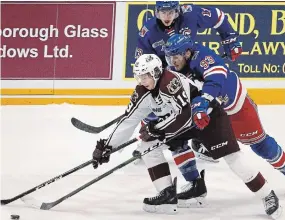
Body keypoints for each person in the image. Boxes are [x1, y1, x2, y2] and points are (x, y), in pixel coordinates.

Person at [92, 54, 282, 218]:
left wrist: (158, 128)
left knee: (233, 159)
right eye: (139, 76)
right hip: (180, 123)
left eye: (145, 76)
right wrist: (108, 146)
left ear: (157, 72)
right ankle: (166, 194)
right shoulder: (143, 91)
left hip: (208, 118)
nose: (141, 80)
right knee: (146, 147)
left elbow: (185, 116)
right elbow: (129, 120)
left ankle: (267, 194)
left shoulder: (170, 82)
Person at [135, 0, 242, 191]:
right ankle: (153, 131)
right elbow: (143, 62)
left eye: (171, 12)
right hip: (166, 75)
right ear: (156, 12)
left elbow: (219, 17)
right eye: (162, 12)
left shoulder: (191, 13)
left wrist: (230, 39)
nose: (167, 17)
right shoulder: (148, 31)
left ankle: (201, 144)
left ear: (178, 11)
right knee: (169, 117)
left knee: (201, 107)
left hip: (191, 71)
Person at [164, 33, 285, 176]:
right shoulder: (175, 67)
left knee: (260, 145)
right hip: (212, 110)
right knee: (184, 130)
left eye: (176, 57)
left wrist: (204, 100)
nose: (173, 61)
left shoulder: (203, 57)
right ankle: (203, 148)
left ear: (187, 53)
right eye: (170, 57)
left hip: (235, 107)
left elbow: (216, 79)